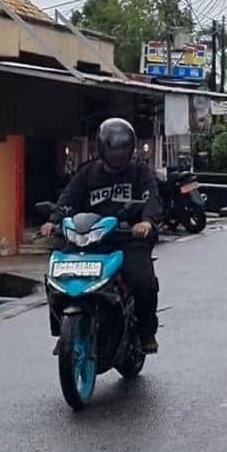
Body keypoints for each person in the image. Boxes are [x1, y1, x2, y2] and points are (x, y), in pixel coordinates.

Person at [41, 118, 163, 353]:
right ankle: (64, 331)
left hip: (126, 239)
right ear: (102, 148)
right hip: (88, 239)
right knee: (57, 278)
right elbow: (68, 199)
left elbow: (152, 199)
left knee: (144, 282)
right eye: (112, 149)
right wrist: (53, 221)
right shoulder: (88, 173)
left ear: (131, 148)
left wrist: (146, 222)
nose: (117, 154)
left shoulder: (140, 171)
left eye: (122, 149)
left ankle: (146, 332)